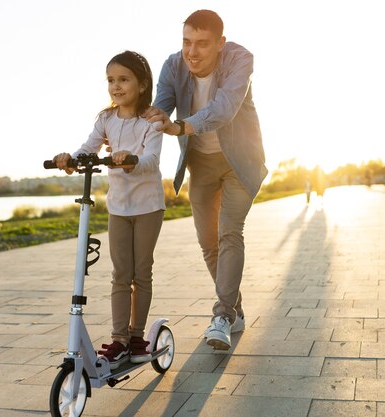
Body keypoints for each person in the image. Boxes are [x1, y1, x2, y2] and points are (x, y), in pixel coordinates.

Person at [145, 10, 267, 350]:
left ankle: (222, 316)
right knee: (208, 242)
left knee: (230, 232)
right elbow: (160, 109)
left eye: (201, 44)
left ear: (220, 44)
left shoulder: (240, 59)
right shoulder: (173, 66)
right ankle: (235, 309)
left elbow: (225, 108)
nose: (192, 52)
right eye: (186, 42)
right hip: (200, 162)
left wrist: (182, 126)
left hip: (239, 161)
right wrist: (130, 129)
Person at [52, 51, 165, 369]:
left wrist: (129, 158)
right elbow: (89, 147)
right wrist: (70, 158)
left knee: (141, 274)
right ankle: (118, 340)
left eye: (124, 79)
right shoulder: (106, 119)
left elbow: (151, 161)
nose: (116, 86)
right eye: (111, 80)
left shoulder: (152, 121)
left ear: (142, 85)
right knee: (120, 274)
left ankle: (137, 336)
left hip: (148, 207)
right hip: (118, 207)